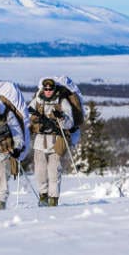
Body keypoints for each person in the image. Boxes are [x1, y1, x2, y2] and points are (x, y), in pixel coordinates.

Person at [29, 78, 74, 206]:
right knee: (40, 171)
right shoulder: (37, 101)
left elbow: (70, 122)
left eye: (50, 89)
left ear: (54, 89)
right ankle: (43, 196)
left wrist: (61, 118)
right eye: (46, 89)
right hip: (40, 141)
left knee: (54, 172)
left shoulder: (62, 102)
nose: (48, 91)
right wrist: (37, 122)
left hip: (56, 140)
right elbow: (28, 116)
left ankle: (53, 199)